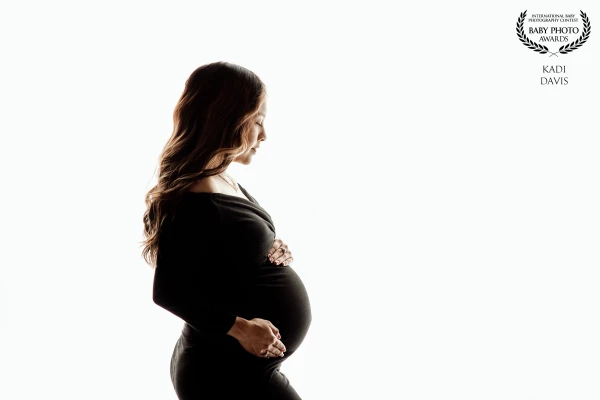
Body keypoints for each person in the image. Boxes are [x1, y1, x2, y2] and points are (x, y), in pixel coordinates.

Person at [140, 61, 312, 399]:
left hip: (242, 370)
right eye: (258, 122)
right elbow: (168, 291)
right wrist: (243, 329)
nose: (264, 135)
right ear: (228, 118)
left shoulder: (221, 177)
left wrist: (273, 247)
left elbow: (224, 248)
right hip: (220, 374)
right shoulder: (191, 198)